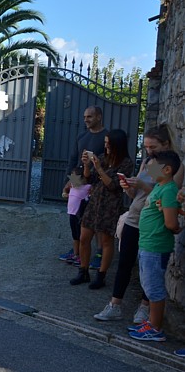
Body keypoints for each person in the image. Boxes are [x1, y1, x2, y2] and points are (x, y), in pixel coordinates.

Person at [94, 124, 184, 322]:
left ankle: (145, 308)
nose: (149, 151)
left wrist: (143, 185)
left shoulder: (175, 167)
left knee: (149, 268)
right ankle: (114, 305)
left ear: (166, 144)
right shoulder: (146, 162)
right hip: (135, 219)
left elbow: (167, 197)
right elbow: (138, 195)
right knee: (125, 263)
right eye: (146, 147)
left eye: (153, 147)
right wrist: (129, 188)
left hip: (154, 224)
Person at [128, 151, 183, 342]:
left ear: (167, 170)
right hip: (148, 244)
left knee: (154, 288)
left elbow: (170, 222)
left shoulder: (168, 189)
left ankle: (155, 328)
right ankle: (151, 322)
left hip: (156, 246)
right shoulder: (161, 187)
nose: (148, 170)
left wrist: (176, 228)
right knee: (148, 285)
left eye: (153, 167)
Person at [70, 129, 134, 288]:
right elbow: (88, 179)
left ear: (117, 145)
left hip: (110, 206)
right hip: (95, 203)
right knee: (84, 238)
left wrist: (99, 168)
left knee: (106, 241)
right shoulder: (102, 158)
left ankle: (101, 275)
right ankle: (83, 272)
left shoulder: (126, 163)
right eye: (105, 143)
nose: (105, 146)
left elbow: (112, 185)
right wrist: (86, 165)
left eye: (108, 143)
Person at [60, 106, 108, 265]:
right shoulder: (81, 137)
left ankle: (100, 254)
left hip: (98, 184)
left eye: (90, 117)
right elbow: (74, 160)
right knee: (76, 217)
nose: (86, 119)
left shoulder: (107, 137)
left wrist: (101, 184)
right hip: (79, 182)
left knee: (97, 220)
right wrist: (70, 182)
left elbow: (110, 163)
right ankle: (78, 251)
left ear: (99, 117)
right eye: (85, 116)